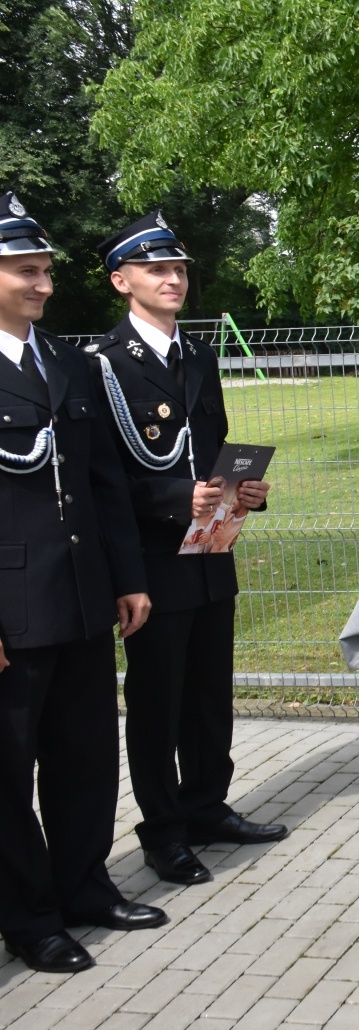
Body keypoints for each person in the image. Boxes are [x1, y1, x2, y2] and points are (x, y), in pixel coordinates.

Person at [87, 211, 286, 889]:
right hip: (153, 562)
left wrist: (244, 493)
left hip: (212, 551)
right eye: (156, 269)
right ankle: (163, 830)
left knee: (208, 695)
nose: (173, 279)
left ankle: (206, 805)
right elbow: (108, 476)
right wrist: (179, 499)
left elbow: (212, 445)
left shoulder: (197, 355)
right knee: (157, 702)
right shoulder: (107, 365)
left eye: (178, 269)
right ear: (122, 281)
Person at [0, 192, 165, 973]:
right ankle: (30, 917)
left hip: (82, 595)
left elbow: (105, 486)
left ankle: (85, 885)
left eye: (45, 271)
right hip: (12, 609)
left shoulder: (67, 362)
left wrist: (128, 578)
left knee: (87, 754)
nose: (43, 284)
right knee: (9, 772)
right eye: (26, 271)